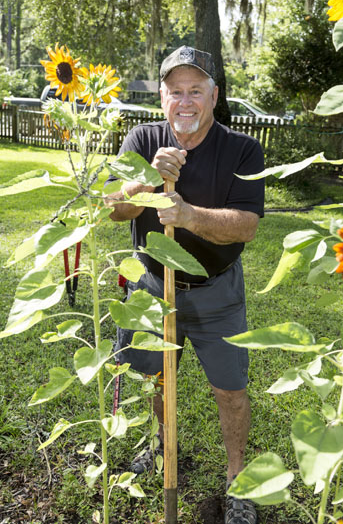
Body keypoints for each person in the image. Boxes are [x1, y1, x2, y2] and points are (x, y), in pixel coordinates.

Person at [106, 45, 264, 524]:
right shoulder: (141, 139)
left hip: (217, 292)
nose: (186, 101)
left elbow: (246, 226)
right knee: (155, 377)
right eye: (176, 91)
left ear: (215, 95)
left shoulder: (242, 150)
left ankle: (238, 482)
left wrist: (190, 215)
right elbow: (114, 207)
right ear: (162, 96)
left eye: (196, 90)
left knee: (230, 390)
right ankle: (159, 445)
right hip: (153, 287)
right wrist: (150, 179)